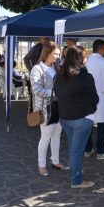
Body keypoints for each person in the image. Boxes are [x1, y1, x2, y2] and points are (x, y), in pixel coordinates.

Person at [54, 46, 99, 189]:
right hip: (82, 119)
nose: (86, 59)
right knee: (77, 150)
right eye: (85, 57)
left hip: (65, 118)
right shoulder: (85, 77)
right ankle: (76, 180)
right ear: (80, 59)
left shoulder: (59, 75)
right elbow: (94, 98)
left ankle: (76, 170)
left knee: (74, 147)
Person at [30, 43, 68, 176]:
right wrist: (55, 93)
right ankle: (41, 165)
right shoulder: (37, 69)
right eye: (55, 54)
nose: (58, 57)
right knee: (45, 137)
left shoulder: (57, 67)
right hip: (45, 109)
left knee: (57, 134)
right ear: (46, 54)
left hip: (59, 107)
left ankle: (55, 161)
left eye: (59, 54)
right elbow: (36, 90)